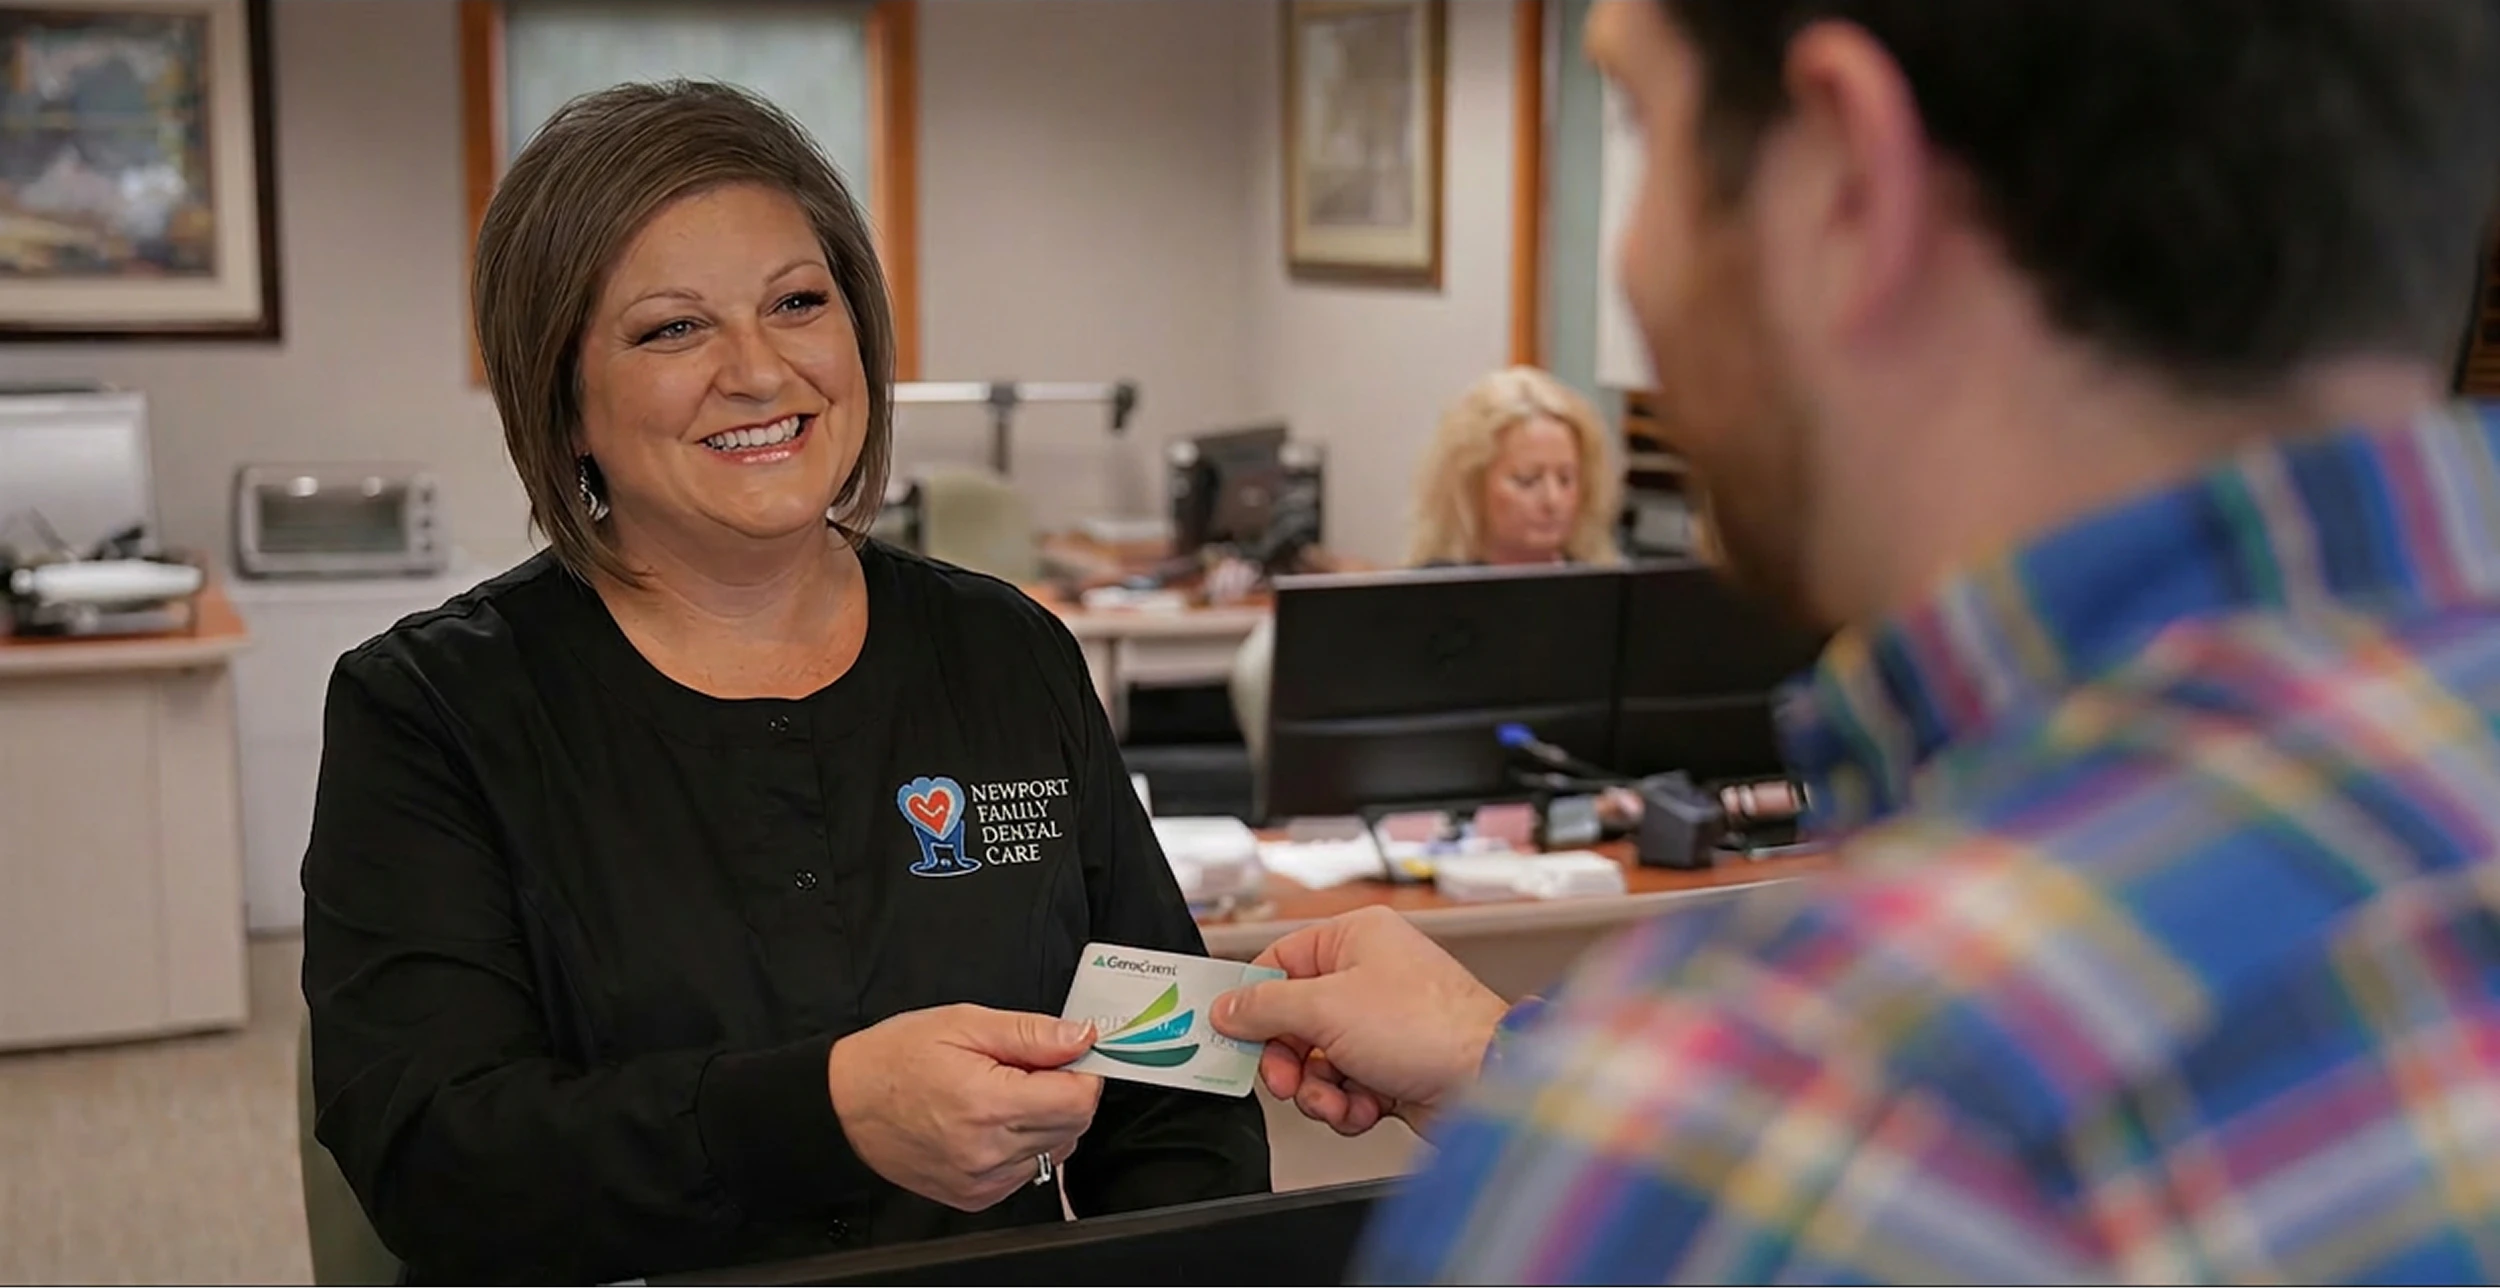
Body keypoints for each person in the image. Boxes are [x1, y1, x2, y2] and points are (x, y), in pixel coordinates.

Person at [1213, 0, 2500, 1281]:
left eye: (1641, 124)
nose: (1636, 257)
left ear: (1840, 179)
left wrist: (1639, 1123)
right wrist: (1507, 1051)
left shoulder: (1741, 1164)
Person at [300, 81, 1267, 1285]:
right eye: (672, 329)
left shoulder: (1009, 652)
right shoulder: (432, 713)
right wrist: (825, 1110)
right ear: (563, 403)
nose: (759, 371)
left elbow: (1172, 1068)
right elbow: (436, 1157)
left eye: (798, 303)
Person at [1231, 366, 1623, 769]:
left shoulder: (1610, 600)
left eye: (1567, 479)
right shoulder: (1421, 603)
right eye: (1527, 480)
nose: (1552, 500)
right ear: (1471, 489)